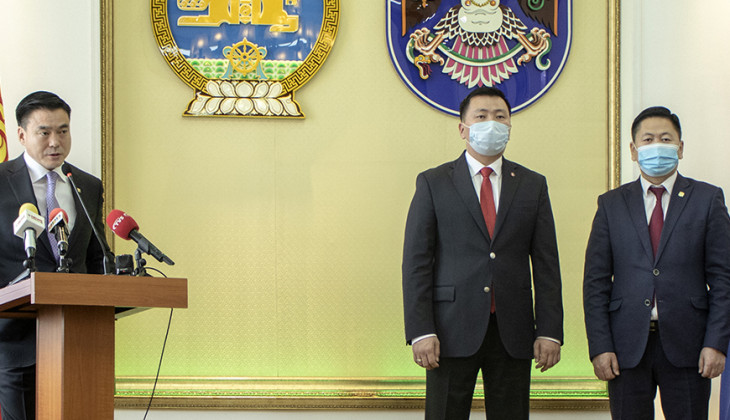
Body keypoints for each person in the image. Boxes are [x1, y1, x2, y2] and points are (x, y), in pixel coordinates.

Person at [402, 86, 564, 420]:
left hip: (513, 329)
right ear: (463, 128)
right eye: (481, 116)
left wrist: (549, 330)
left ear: (509, 126)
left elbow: (547, 265)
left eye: (500, 116)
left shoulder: (532, 185)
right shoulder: (433, 182)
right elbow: (417, 263)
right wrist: (421, 330)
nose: (492, 123)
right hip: (449, 330)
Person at [583, 106, 730, 419]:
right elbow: (595, 283)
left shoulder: (707, 199)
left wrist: (717, 343)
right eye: (648, 139)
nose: (657, 146)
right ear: (633, 150)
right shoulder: (611, 204)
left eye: (666, 139)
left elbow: (723, 279)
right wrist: (600, 346)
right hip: (625, 347)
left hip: (690, 345)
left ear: (680, 147)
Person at [0, 91, 110, 420]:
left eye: (63, 131)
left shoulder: (88, 185)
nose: (55, 142)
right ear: (21, 135)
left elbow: (96, 256)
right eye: (44, 132)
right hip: (15, 341)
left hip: (79, 340)